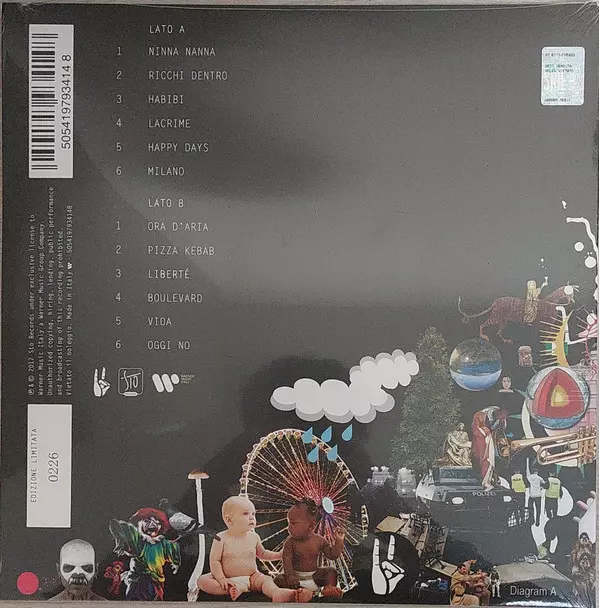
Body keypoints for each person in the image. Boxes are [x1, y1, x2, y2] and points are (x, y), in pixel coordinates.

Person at [197, 496, 302, 602]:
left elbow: (263, 554)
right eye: (245, 514)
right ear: (229, 520)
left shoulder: (254, 537)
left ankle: (276, 592)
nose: (251, 517)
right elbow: (215, 561)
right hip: (227, 578)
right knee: (202, 580)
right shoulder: (220, 538)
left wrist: (279, 555)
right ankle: (231, 589)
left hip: (251, 577)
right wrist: (221, 578)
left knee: (266, 580)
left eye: (253, 514)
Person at [274, 497, 345, 600]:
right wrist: (290, 576)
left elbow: (332, 555)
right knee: (279, 579)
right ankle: (303, 592)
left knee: (331, 571)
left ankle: (328, 587)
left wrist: (339, 541)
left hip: (315, 576)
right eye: (288, 523)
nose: (289, 527)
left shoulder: (319, 540)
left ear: (311, 526)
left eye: (293, 523)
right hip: (296, 580)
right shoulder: (290, 543)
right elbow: (287, 561)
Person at [471, 407, 507, 491]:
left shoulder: (497, 418)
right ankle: (487, 482)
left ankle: (493, 480)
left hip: (490, 441)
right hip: (484, 440)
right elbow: (478, 428)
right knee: (487, 460)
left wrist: (499, 422)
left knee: (492, 461)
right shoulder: (481, 415)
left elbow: (498, 428)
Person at [526, 460, 545, 527]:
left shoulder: (530, 477)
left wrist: (527, 461)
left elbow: (527, 473)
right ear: (537, 472)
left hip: (531, 496)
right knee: (538, 509)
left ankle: (532, 519)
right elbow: (544, 483)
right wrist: (541, 487)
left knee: (530, 509)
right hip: (538, 495)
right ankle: (537, 522)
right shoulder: (540, 478)